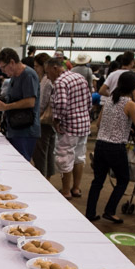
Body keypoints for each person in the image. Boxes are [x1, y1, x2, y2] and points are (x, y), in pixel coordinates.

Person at [85, 71, 135, 223]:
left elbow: (99, 123)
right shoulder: (130, 104)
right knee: (123, 180)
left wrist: (123, 126)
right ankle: (109, 211)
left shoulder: (109, 100)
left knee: (98, 181)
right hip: (116, 148)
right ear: (133, 87)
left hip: (101, 145)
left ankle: (90, 213)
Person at [45, 57, 91, 198]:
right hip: (83, 124)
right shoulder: (79, 77)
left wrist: (56, 120)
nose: (47, 76)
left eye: (47, 73)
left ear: (55, 68)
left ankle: (66, 191)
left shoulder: (60, 82)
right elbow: (89, 100)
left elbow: (61, 104)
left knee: (64, 158)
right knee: (79, 157)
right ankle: (76, 188)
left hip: (69, 126)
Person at [0, 47, 40, 161]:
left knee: (22, 162)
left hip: (25, 130)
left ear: (12, 62)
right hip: (14, 127)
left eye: (3, 67)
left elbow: (30, 102)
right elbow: (12, 96)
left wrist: (7, 107)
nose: (3, 71)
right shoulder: (14, 77)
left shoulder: (28, 75)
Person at [31, 53, 55, 179]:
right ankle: (47, 178)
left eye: (36, 66)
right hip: (51, 121)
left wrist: (36, 119)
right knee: (49, 152)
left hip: (43, 121)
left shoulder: (46, 81)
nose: (35, 69)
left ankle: (42, 179)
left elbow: (41, 104)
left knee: (41, 154)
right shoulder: (49, 80)